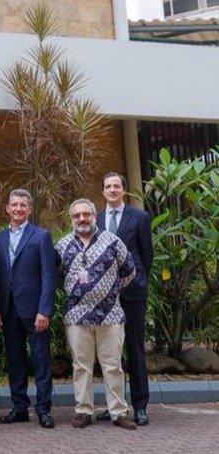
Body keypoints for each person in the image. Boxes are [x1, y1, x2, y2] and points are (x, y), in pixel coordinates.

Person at [56, 198, 137, 430]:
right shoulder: (62, 245)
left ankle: (118, 412)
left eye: (86, 214)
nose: (82, 219)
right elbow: (57, 276)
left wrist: (108, 292)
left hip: (110, 315)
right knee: (81, 366)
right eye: (77, 215)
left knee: (113, 365)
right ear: (71, 219)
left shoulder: (112, 241)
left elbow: (129, 270)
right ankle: (83, 410)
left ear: (94, 216)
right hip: (76, 316)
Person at [0, 188, 57, 429]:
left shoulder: (42, 236)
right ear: (7, 208)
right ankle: (19, 408)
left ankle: (43, 409)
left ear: (29, 209)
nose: (18, 209)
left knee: (41, 360)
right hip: (8, 310)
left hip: (35, 310)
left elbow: (49, 276)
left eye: (22, 205)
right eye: (14, 205)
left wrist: (45, 310)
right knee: (15, 361)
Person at [95, 172, 154, 426]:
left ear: (124, 190)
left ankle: (140, 406)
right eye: (108, 186)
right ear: (103, 191)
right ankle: (115, 405)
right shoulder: (96, 219)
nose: (112, 190)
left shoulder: (139, 218)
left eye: (116, 186)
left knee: (135, 349)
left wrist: (136, 280)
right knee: (110, 353)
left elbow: (147, 256)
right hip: (105, 296)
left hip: (133, 294)